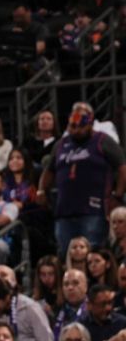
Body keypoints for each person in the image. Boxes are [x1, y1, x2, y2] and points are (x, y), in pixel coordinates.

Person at [37, 103, 126, 256]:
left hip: (93, 210)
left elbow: (122, 168)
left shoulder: (103, 141)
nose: (75, 131)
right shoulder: (61, 144)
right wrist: (41, 191)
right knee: (66, 254)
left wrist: (117, 195)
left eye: (80, 127)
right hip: (64, 211)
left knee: (92, 253)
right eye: (72, 127)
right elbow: (49, 171)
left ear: (90, 124)